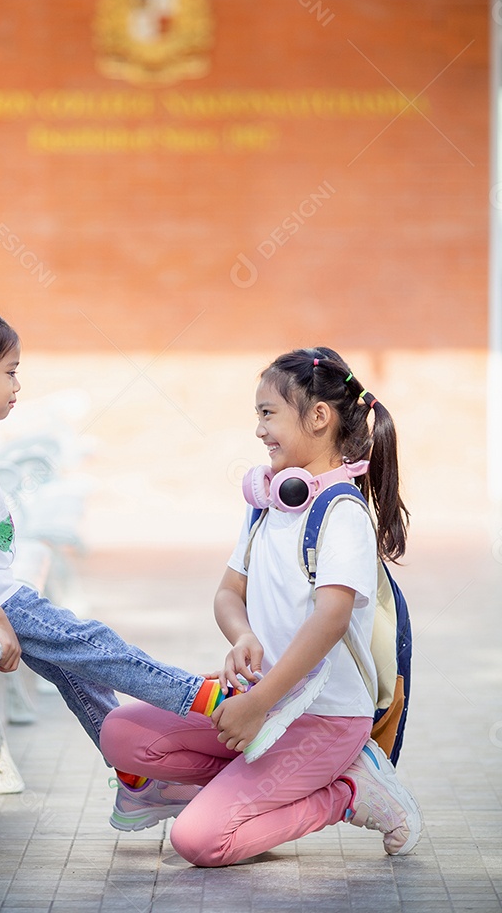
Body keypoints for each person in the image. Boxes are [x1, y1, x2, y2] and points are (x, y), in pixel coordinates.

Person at [0, 307, 240, 784]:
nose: (17, 386)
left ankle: (134, 779)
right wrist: (1, 621)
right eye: (10, 372)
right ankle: (198, 695)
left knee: (76, 671)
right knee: (92, 644)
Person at [100, 346, 423, 865]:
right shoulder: (271, 505)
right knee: (120, 732)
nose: (258, 430)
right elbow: (228, 593)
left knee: (199, 841)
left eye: (268, 413)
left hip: (323, 718)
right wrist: (243, 637)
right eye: (258, 415)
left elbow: (330, 618)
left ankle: (353, 791)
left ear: (319, 416)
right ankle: (243, 791)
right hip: (262, 702)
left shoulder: (341, 513)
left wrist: (255, 704)